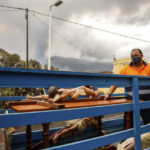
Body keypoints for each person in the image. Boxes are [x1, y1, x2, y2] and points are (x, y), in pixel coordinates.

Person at [103, 48, 150, 127]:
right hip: (131, 101)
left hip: (147, 101)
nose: (133, 57)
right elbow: (116, 81)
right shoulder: (126, 69)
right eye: (132, 56)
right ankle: (127, 139)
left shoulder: (149, 66)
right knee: (129, 125)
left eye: (136, 55)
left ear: (142, 56)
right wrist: (109, 93)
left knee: (148, 124)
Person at [26, 85, 101, 103]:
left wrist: (31, 97)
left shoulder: (58, 94)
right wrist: (31, 97)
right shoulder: (57, 94)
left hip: (74, 93)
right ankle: (94, 92)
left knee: (83, 88)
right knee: (83, 88)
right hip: (74, 95)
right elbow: (43, 96)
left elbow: (43, 96)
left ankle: (94, 93)